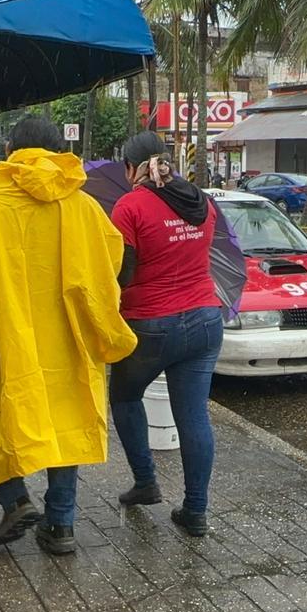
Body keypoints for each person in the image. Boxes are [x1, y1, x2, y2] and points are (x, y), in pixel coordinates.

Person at [0, 117, 137, 555]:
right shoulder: (87, 208)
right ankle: (61, 525)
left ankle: (14, 498)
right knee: (66, 421)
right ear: (59, 152)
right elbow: (109, 269)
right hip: (66, 342)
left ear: (12, 149)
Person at [109, 131, 224, 538]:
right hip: (206, 320)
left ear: (131, 167)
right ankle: (195, 511)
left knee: (123, 396)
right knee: (193, 416)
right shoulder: (200, 201)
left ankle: (146, 482)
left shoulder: (129, 206)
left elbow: (121, 273)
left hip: (150, 325)